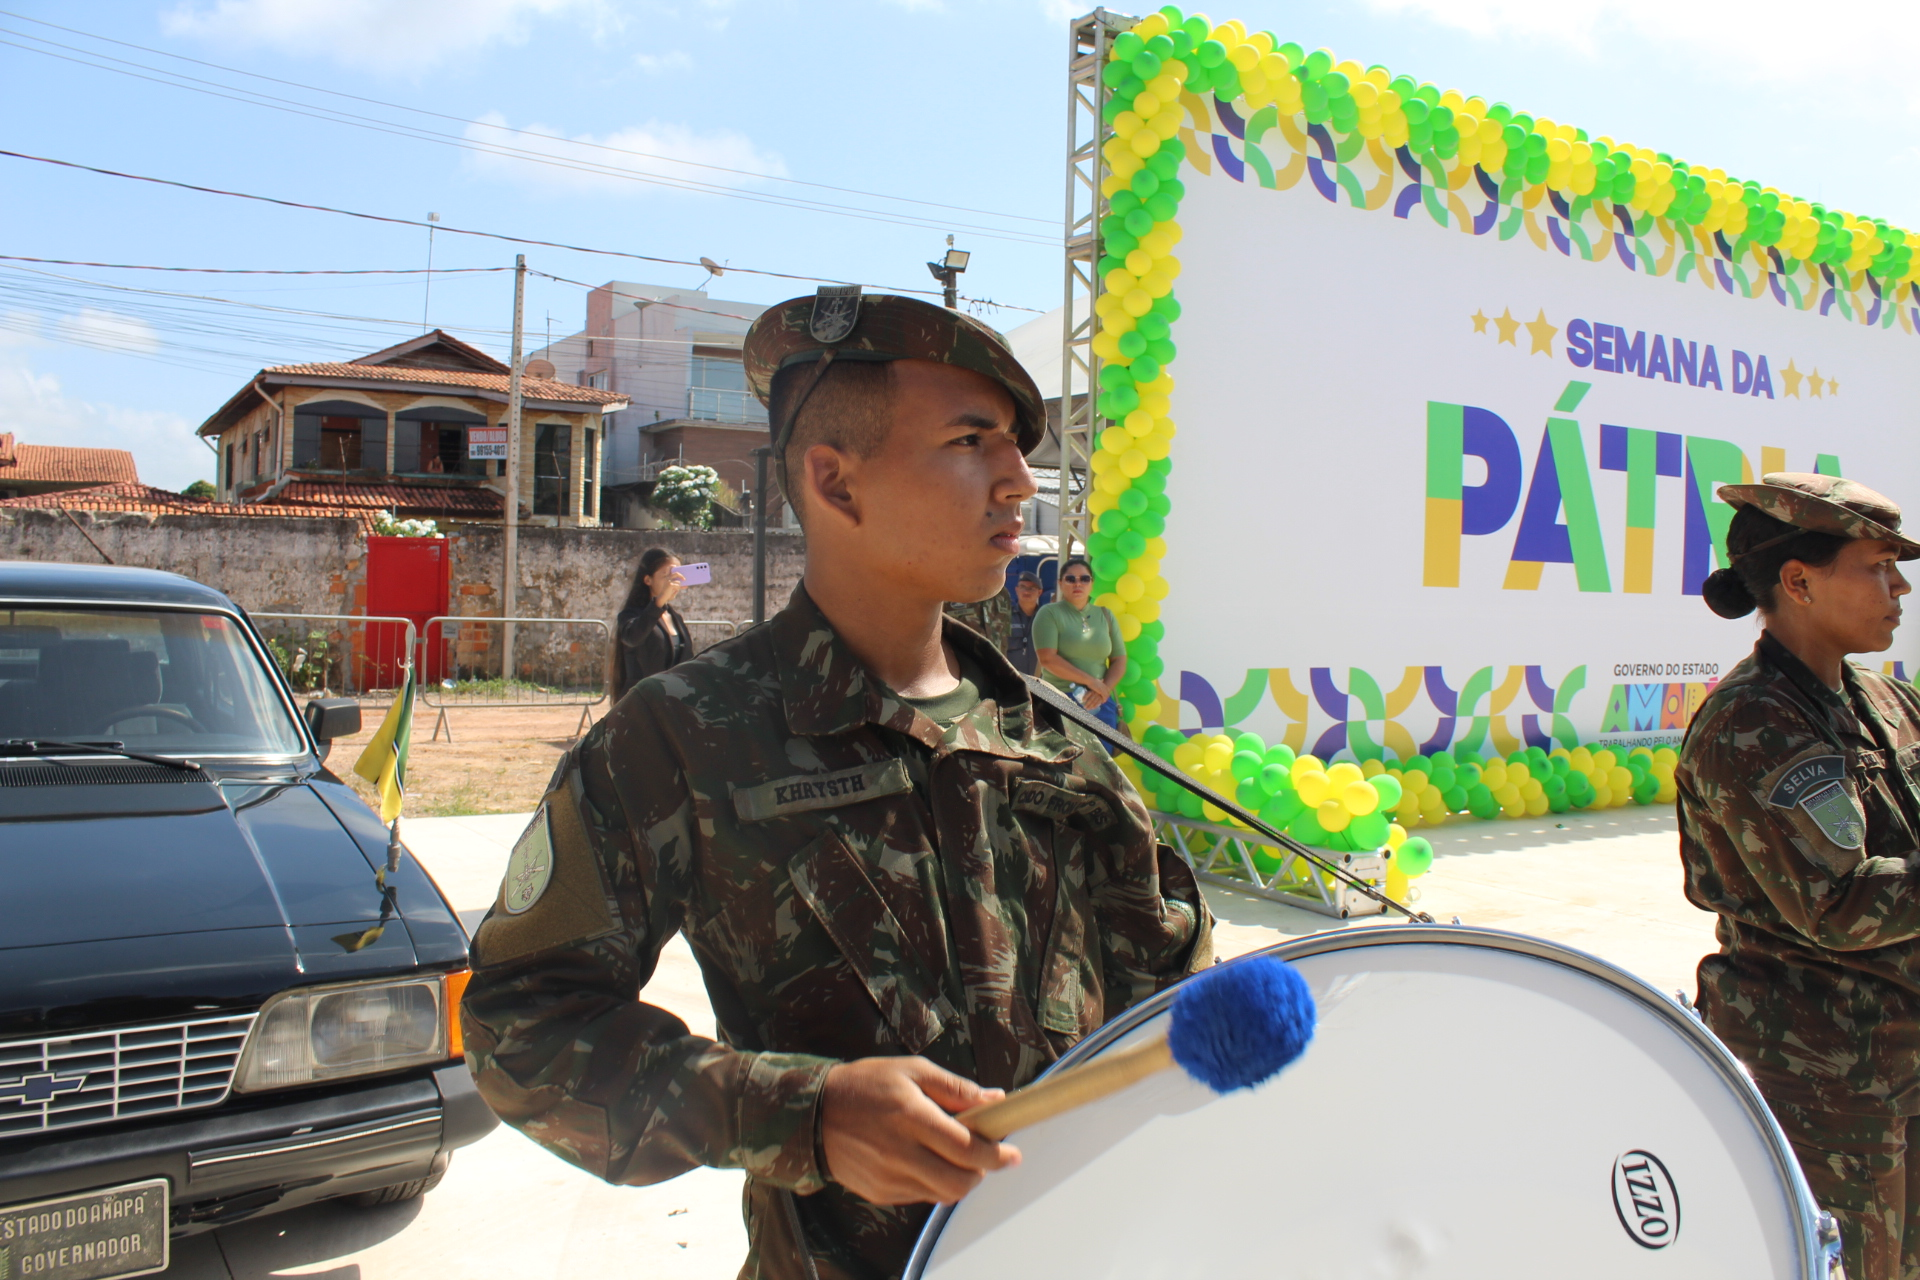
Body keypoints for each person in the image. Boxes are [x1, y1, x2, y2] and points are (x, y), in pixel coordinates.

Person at [461, 288, 1212, 1280]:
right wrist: (800, 1114)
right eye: (971, 440)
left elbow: (1167, 1004)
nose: (1018, 481)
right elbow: (520, 1018)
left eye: (1013, 448)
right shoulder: (688, 735)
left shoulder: (1049, 740)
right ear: (836, 482)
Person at [1677, 472, 1920, 1280]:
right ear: (1799, 581)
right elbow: (1841, 905)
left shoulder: (1884, 699)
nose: (1900, 587)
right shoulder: (1752, 723)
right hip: (1827, 1088)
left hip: (1900, 1061)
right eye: (1878, 566)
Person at [1033, 556, 1127, 733]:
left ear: (1092, 583)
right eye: (1071, 579)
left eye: (1084, 579)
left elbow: (1119, 659)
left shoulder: (1105, 615)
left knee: (1101, 761)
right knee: (1066, 760)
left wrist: (1103, 690)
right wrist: (1093, 683)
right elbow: (1047, 659)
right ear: (1060, 583)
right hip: (1060, 701)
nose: (1078, 584)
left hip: (1100, 703)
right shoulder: (1049, 613)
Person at [607, 547, 690, 703]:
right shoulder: (632, 614)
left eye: (676, 575)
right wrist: (658, 602)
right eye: (666, 576)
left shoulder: (675, 617)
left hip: (671, 703)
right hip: (641, 705)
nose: (672, 582)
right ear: (647, 580)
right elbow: (633, 637)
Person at [942, 589, 1011, 650]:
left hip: (996, 660)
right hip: (963, 660)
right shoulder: (950, 591)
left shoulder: (1002, 593)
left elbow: (1005, 634)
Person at [1005, 571, 1043, 676]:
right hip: (1011, 679)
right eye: (1023, 587)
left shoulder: (1046, 618)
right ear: (1016, 590)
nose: (1026, 591)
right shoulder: (1005, 617)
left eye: (1031, 588)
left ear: (1040, 592)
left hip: (1040, 683)